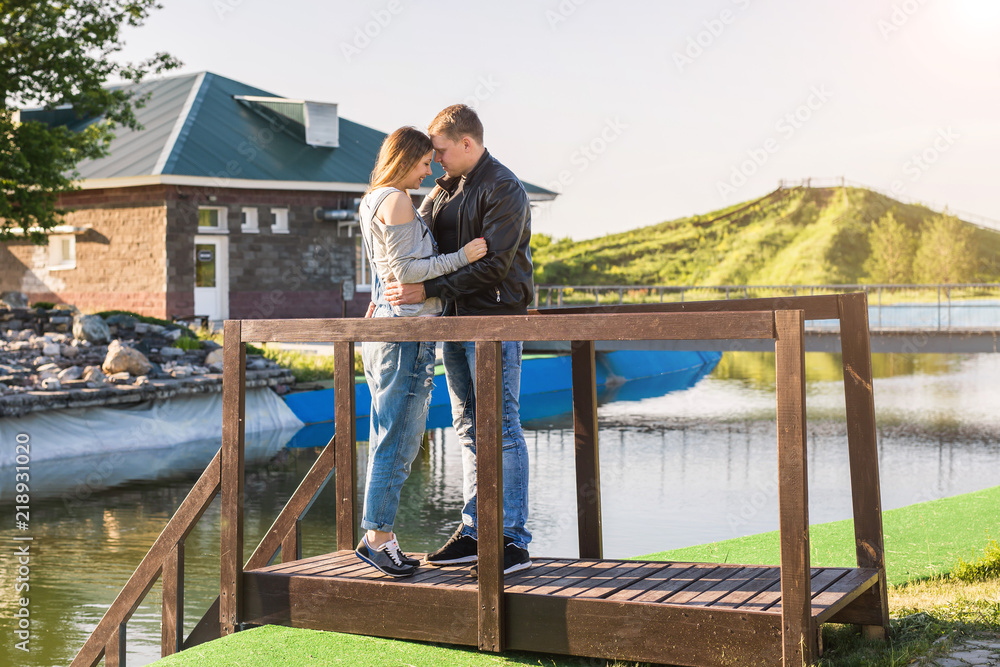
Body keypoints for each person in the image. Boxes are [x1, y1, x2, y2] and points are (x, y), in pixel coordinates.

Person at [384, 104, 534, 576]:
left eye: (442, 152)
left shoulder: (503, 187)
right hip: (454, 321)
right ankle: (475, 531)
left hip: (495, 323)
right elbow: (416, 246)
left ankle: (512, 540)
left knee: (502, 427)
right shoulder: (445, 188)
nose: (436, 161)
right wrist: (389, 292)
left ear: (467, 143)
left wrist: (427, 288)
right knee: (468, 425)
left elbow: (495, 267)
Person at [354, 126, 488, 578]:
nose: (429, 169)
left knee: (384, 433)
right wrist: (465, 255)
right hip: (406, 334)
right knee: (401, 439)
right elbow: (409, 272)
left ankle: (375, 533)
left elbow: (385, 272)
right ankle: (378, 538)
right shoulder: (395, 200)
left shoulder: (371, 200)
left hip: (384, 331)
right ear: (406, 158)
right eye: (424, 162)